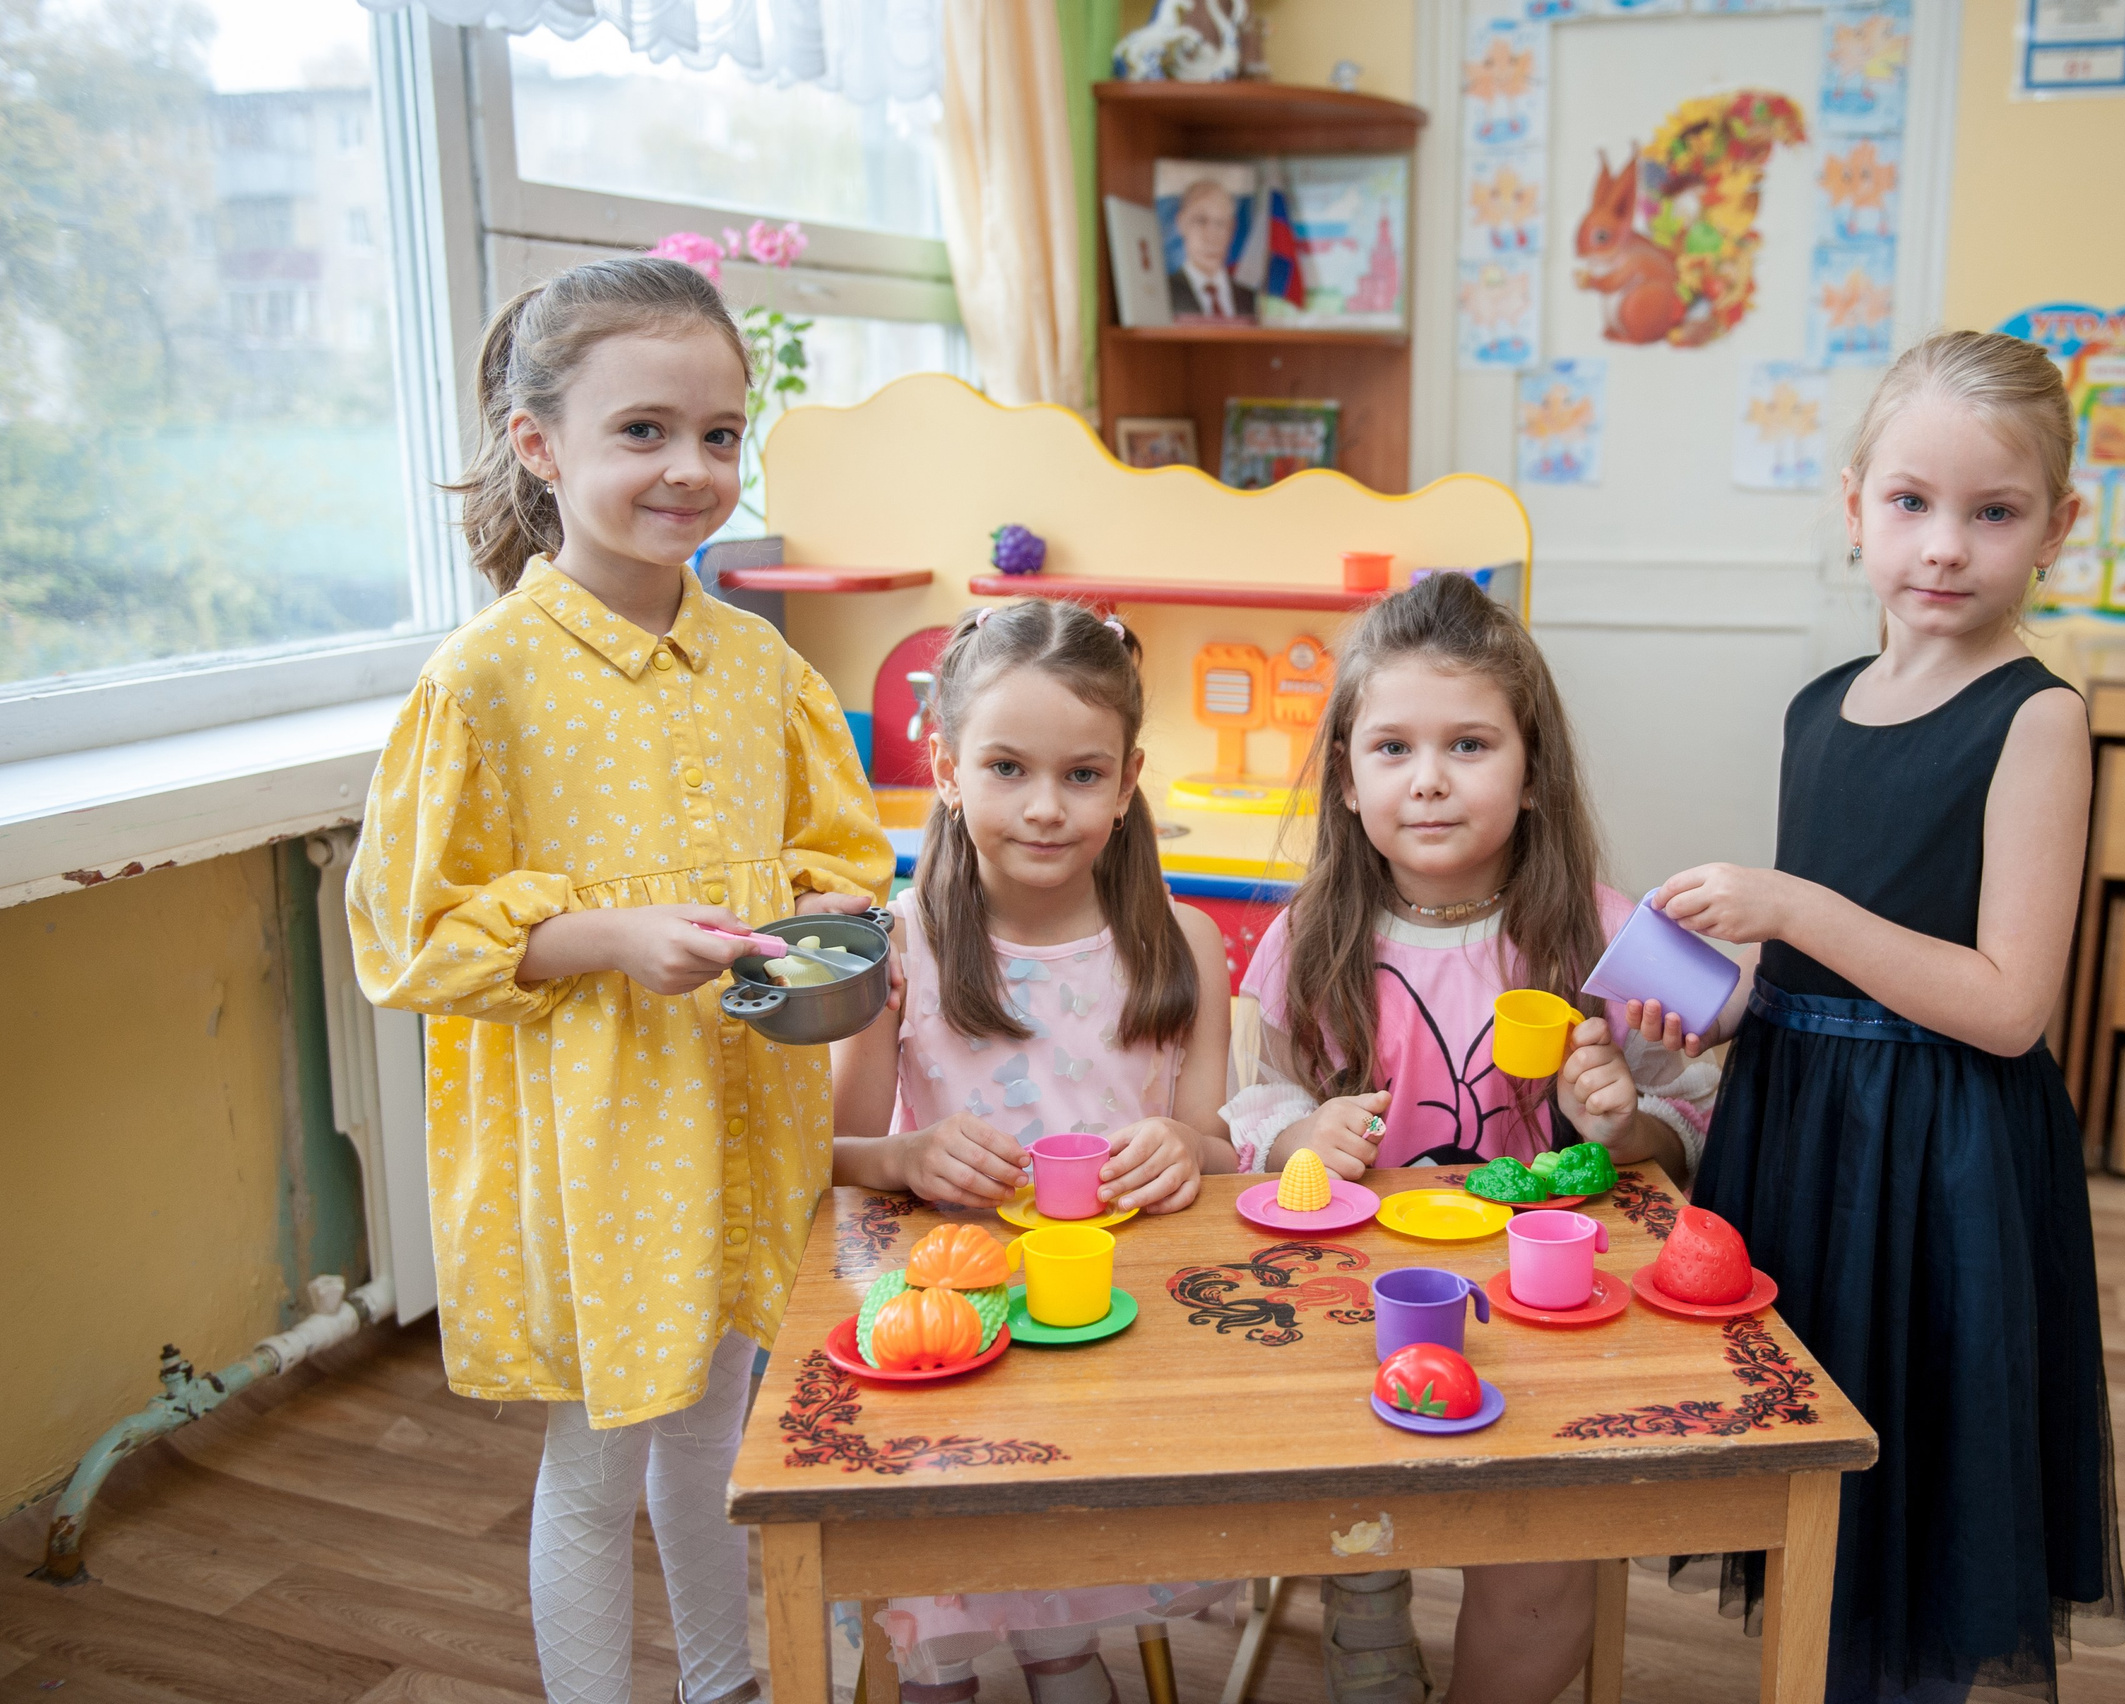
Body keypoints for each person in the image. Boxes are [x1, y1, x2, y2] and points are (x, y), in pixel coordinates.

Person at [350, 256, 892, 1704]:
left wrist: (829, 909)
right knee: (597, 1466)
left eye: (719, 435)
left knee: (717, 1433)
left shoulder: (759, 667)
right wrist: (605, 937)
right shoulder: (484, 683)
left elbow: (837, 848)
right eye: (643, 431)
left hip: (735, 1114)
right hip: (593, 1145)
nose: (691, 469)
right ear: (540, 445)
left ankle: (728, 1687)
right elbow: (410, 936)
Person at [1656, 329, 2125, 1702]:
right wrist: (1729, 1000)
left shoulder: (2035, 721)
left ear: (2059, 526)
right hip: (1803, 1132)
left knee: (1924, 1465)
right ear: (1855, 500)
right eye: (1912, 504)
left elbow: (2006, 1006)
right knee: (1821, 1444)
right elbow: (1825, 972)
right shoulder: (1818, 707)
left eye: (1995, 513)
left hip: (1944, 1157)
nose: (1944, 546)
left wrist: (1793, 907)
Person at [1220, 571, 1715, 1704]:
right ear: (1344, 778)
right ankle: (1363, 1600)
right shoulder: (1306, 938)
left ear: (1533, 771)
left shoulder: (1601, 927)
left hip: (1552, 1312)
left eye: (1470, 746)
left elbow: (1692, 1104)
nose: (1429, 781)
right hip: (1349, 1304)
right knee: (1339, 1480)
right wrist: (1302, 1131)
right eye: (1390, 748)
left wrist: (1624, 1124)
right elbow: (1250, 1103)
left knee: (1547, 1555)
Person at [832, 597, 1240, 1703]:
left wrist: (1182, 1148)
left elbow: (1217, 1144)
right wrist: (907, 1154)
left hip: (1109, 1334)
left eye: (1082, 775)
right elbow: (839, 1153)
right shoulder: (897, 947)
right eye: (1007, 768)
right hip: (947, 1345)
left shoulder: (1185, 943)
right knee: (938, 1644)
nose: (1046, 809)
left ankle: (1066, 1654)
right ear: (947, 767)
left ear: (1129, 778)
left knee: (1066, 1634)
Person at [1167, 177, 1256, 321]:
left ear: (1232, 228)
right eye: (1201, 221)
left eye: (1220, 223)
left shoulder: (1250, 297)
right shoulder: (1164, 293)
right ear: (1181, 223)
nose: (1211, 237)